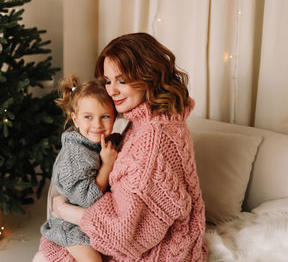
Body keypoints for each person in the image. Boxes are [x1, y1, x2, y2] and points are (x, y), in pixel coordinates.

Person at [33, 32, 207, 261]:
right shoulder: (152, 120)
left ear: (149, 77)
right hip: (155, 238)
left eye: (122, 81)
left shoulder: (154, 139)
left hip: (153, 252)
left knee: (49, 251)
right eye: (107, 81)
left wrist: (65, 211)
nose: (111, 90)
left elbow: (121, 235)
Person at [39, 75, 118, 262]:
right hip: (69, 225)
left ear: (115, 117)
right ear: (75, 119)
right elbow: (87, 199)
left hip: (87, 221)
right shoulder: (75, 154)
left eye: (105, 116)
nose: (97, 125)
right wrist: (107, 165)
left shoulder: (96, 143)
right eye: (88, 117)